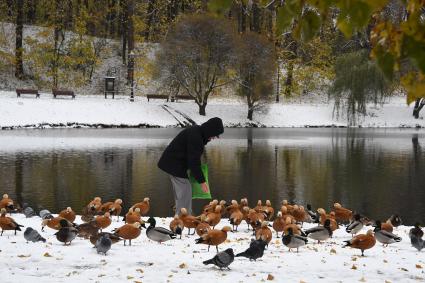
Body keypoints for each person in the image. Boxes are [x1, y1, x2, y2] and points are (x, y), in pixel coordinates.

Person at [158, 117, 224, 216]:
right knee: (185, 191)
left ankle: (182, 217)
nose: (215, 138)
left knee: (182, 192)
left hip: (172, 164)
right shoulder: (196, 137)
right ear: (210, 130)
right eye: (215, 135)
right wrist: (202, 181)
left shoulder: (197, 132)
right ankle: (183, 219)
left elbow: (192, 159)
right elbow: (194, 162)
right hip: (174, 165)